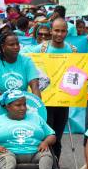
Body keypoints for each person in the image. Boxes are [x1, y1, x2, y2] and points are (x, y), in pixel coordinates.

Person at [22, 17, 75, 160]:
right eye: (56, 30)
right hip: (44, 101)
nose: (59, 34)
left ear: (66, 32)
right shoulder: (42, 47)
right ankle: (45, 164)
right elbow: (25, 54)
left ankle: (55, 165)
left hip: (63, 100)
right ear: (51, 31)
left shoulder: (72, 50)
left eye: (63, 31)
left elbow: (77, 71)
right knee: (46, 134)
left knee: (57, 136)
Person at [0, 32, 41, 115]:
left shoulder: (27, 61)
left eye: (17, 44)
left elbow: (35, 86)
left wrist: (39, 107)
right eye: (11, 44)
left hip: (21, 109)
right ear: (3, 47)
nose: (16, 47)